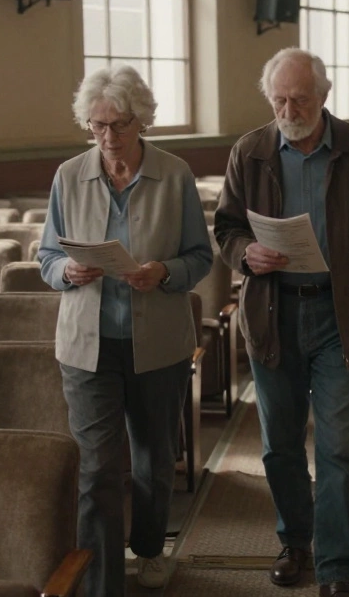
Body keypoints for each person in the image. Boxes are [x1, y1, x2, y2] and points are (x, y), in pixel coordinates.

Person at [214, 48, 349, 597]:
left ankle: (336, 569)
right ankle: (295, 541)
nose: (288, 108)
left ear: (324, 96)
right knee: (279, 443)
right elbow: (226, 229)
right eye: (278, 98)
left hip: (339, 315)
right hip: (272, 311)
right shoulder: (249, 151)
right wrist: (246, 253)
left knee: (339, 446)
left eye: (299, 98)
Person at [39, 65, 213, 597]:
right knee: (95, 470)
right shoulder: (69, 176)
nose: (108, 138)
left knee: (154, 458)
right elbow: (46, 256)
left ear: (142, 122)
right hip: (87, 347)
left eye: (119, 125)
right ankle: (102, 583)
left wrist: (163, 272)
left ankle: (152, 547)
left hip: (157, 341)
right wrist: (67, 271)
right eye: (97, 126)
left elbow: (200, 257)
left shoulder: (175, 174)